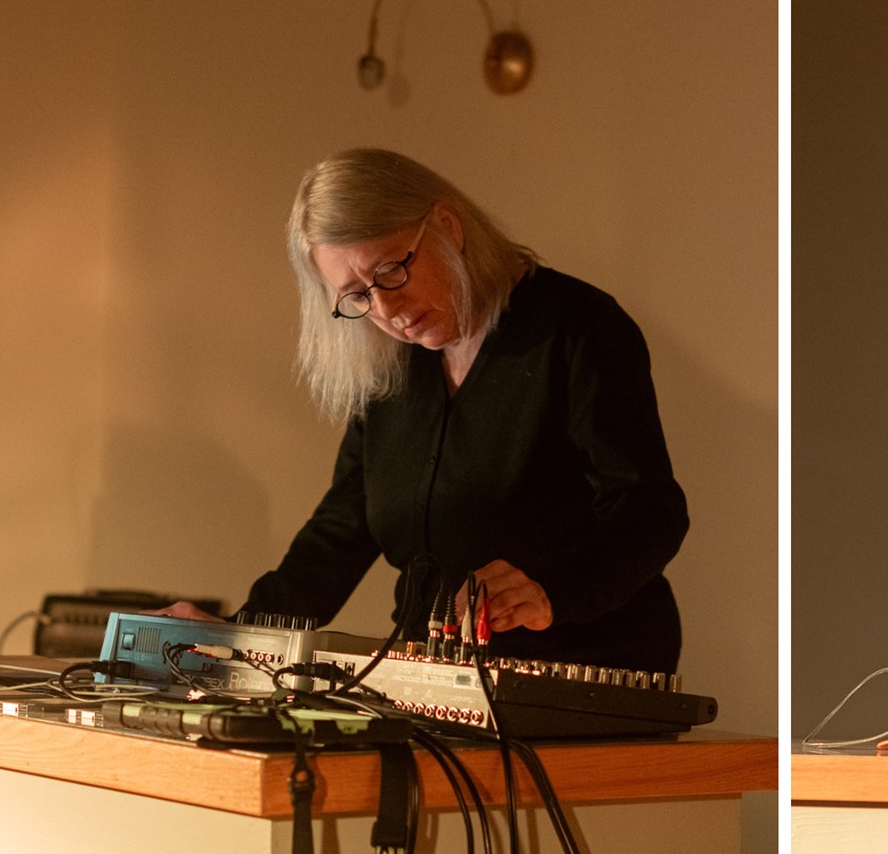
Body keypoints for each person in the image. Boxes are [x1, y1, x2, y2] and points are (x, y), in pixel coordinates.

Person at [154, 148, 689, 674]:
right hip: (436, 671)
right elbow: (344, 527)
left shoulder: (578, 327)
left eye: (390, 272)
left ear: (446, 226)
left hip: (585, 663)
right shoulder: (394, 366)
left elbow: (648, 509)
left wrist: (552, 594)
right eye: (357, 295)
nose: (386, 311)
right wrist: (240, 635)